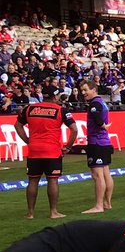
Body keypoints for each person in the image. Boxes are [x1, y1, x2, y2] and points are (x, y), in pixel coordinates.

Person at [15, 86, 78, 219]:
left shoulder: (29, 108)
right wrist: (68, 146)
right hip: (52, 151)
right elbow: (74, 129)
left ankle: (30, 213)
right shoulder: (61, 110)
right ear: (55, 96)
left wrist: (27, 140)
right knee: (52, 180)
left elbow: (17, 125)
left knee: (32, 180)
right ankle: (53, 212)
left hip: (34, 150)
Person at [80, 80, 113, 213]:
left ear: (93, 89)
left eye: (85, 90)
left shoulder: (94, 103)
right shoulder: (102, 102)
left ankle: (99, 205)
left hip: (96, 142)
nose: (83, 93)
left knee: (97, 175)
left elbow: (98, 119)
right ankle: (107, 203)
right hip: (104, 142)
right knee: (106, 173)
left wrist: (103, 125)